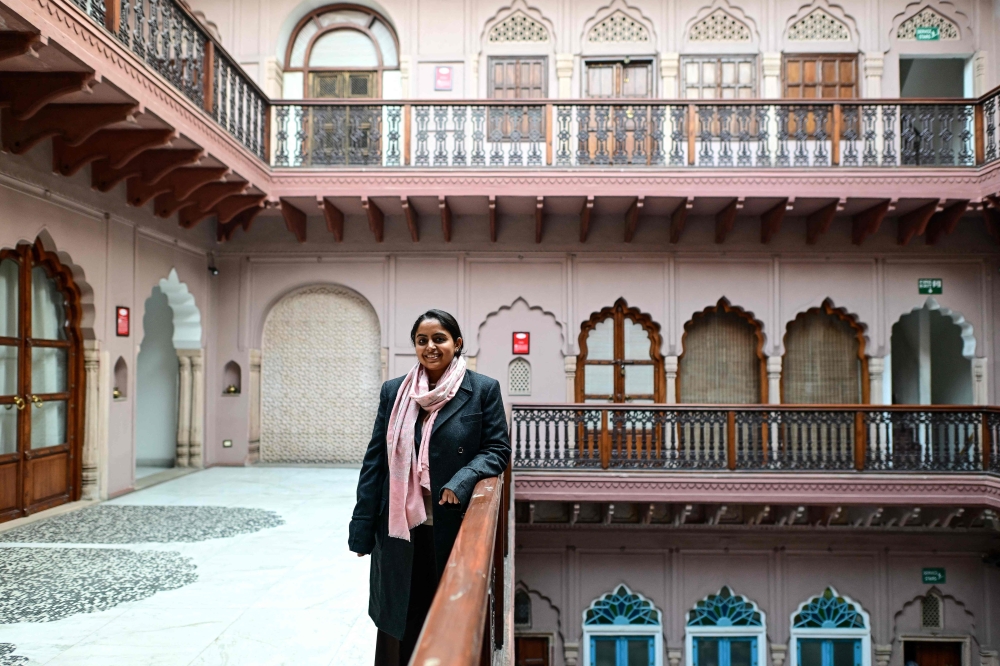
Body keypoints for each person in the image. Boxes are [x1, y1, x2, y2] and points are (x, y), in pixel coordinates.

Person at [349, 309, 511, 666]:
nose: (430, 347)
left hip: (450, 526)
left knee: (445, 617)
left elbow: (498, 449)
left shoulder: (482, 390)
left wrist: (464, 478)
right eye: (422, 340)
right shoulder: (395, 392)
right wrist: (361, 530)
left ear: (457, 343)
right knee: (402, 621)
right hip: (400, 530)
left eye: (439, 339)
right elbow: (375, 462)